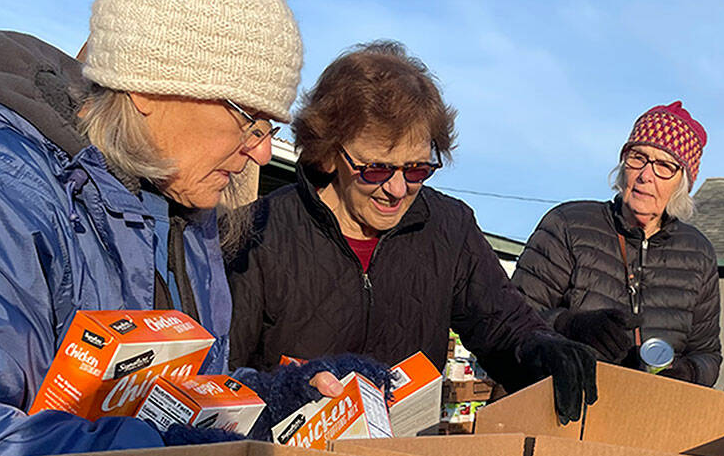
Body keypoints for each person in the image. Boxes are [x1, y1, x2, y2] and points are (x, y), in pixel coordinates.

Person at [0, 0, 344, 456]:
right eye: (249, 119)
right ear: (147, 87)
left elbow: (168, 394)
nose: (262, 154)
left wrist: (271, 405)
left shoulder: (180, 213)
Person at [226, 41, 596, 424]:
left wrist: (542, 349)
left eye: (417, 169)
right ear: (328, 152)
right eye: (376, 169)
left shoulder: (448, 226)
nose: (398, 189)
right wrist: (289, 391)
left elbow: (501, 324)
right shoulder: (259, 232)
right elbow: (222, 377)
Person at [510, 102, 721, 385]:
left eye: (664, 166)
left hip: (654, 415)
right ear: (624, 164)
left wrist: (690, 372)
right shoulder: (569, 226)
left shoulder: (698, 254)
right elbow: (511, 318)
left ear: (683, 182)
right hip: (566, 405)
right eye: (638, 157)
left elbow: (707, 353)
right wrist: (570, 325)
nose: (646, 175)